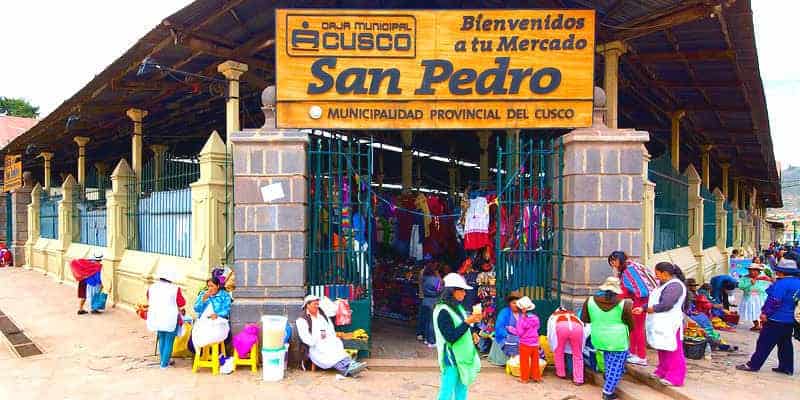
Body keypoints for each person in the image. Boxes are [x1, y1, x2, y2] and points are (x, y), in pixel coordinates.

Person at [737, 257, 800, 375]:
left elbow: (775, 300)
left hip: (776, 318)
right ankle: (786, 367)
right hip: (790, 319)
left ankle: (753, 365)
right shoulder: (797, 282)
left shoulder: (782, 283)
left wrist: (765, 313)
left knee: (764, 342)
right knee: (785, 343)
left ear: (782, 272)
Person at [581, 277, 633, 400]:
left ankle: (608, 377)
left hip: (599, 338)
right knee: (616, 365)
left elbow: (585, 319)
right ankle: (608, 392)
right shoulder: (624, 304)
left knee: (608, 360)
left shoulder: (590, 301)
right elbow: (631, 324)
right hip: (618, 340)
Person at [637, 262, 687, 387]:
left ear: (665, 273)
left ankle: (676, 376)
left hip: (671, 322)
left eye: (657, 273)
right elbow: (654, 300)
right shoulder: (663, 285)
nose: (656, 276)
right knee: (662, 347)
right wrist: (643, 308)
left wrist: (650, 309)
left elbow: (666, 304)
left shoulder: (675, 286)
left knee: (673, 349)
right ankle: (663, 370)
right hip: (661, 322)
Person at [433, 273, 482, 400]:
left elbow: (462, 326)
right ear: (452, 291)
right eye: (462, 290)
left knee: (462, 387)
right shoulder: (442, 311)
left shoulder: (458, 307)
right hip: (451, 356)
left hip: (462, 355)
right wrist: (468, 322)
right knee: (447, 390)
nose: (464, 294)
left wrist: (473, 334)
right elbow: (451, 336)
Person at [296, 295, 367, 377]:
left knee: (336, 344)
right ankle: (349, 368)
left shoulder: (322, 315)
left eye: (317, 304)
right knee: (328, 351)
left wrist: (327, 337)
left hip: (326, 340)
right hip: (313, 347)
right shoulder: (301, 320)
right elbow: (305, 338)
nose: (317, 306)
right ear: (307, 305)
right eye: (314, 304)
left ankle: (350, 366)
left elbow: (330, 329)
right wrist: (318, 339)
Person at [607, 250, 657, 366]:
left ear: (619, 260)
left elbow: (636, 290)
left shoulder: (629, 271)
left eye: (613, 261)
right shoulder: (632, 267)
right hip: (639, 301)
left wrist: (615, 299)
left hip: (640, 302)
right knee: (633, 328)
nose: (613, 264)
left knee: (637, 329)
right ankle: (633, 353)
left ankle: (641, 356)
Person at [146, 265, 186, 369]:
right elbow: (182, 302)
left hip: (156, 316)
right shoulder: (175, 289)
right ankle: (164, 364)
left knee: (161, 337)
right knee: (169, 340)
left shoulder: (152, 287)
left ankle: (163, 360)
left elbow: (148, 298)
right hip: (170, 317)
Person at [547, 307, 585, 385]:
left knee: (559, 351)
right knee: (578, 354)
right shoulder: (573, 315)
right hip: (577, 328)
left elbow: (550, 333)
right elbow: (583, 329)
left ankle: (561, 373)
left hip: (561, 327)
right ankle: (579, 379)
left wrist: (552, 345)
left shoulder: (553, 316)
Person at [507, 296, 540, 383]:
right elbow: (537, 328)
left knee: (524, 362)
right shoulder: (536, 318)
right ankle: (536, 377)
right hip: (535, 343)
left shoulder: (521, 320)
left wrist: (511, 329)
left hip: (525, 344)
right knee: (535, 361)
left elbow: (519, 332)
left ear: (523, 309)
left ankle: (525, 379)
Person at [488, 291, 522, 366]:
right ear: (509, 304)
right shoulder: (504, 312)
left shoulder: (522, 314)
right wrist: (508, 335)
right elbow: (499, 328)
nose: (516, 305)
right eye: (514, 303)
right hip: (504, 337)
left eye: (518, 303)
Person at [738, 264, 771, 331]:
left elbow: (767, 287)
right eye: (750, 270)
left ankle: (762, 325)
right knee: (752, 312)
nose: (752, 272)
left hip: (760, 298)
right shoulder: (744, 278)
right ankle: (756, 325)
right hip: (749, 298)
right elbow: (741, 286)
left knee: (762, 312)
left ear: (759, 271)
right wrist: (750, 284)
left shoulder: (763, 278)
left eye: (755, 270)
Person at [420, 263, 443, 348]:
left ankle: (426, 339)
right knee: (432, 322)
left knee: (427, 321)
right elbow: (439, 290)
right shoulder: (437, 280)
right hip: (433, 301)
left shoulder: (424, 278)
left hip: (425, 300)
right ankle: (432, 341)